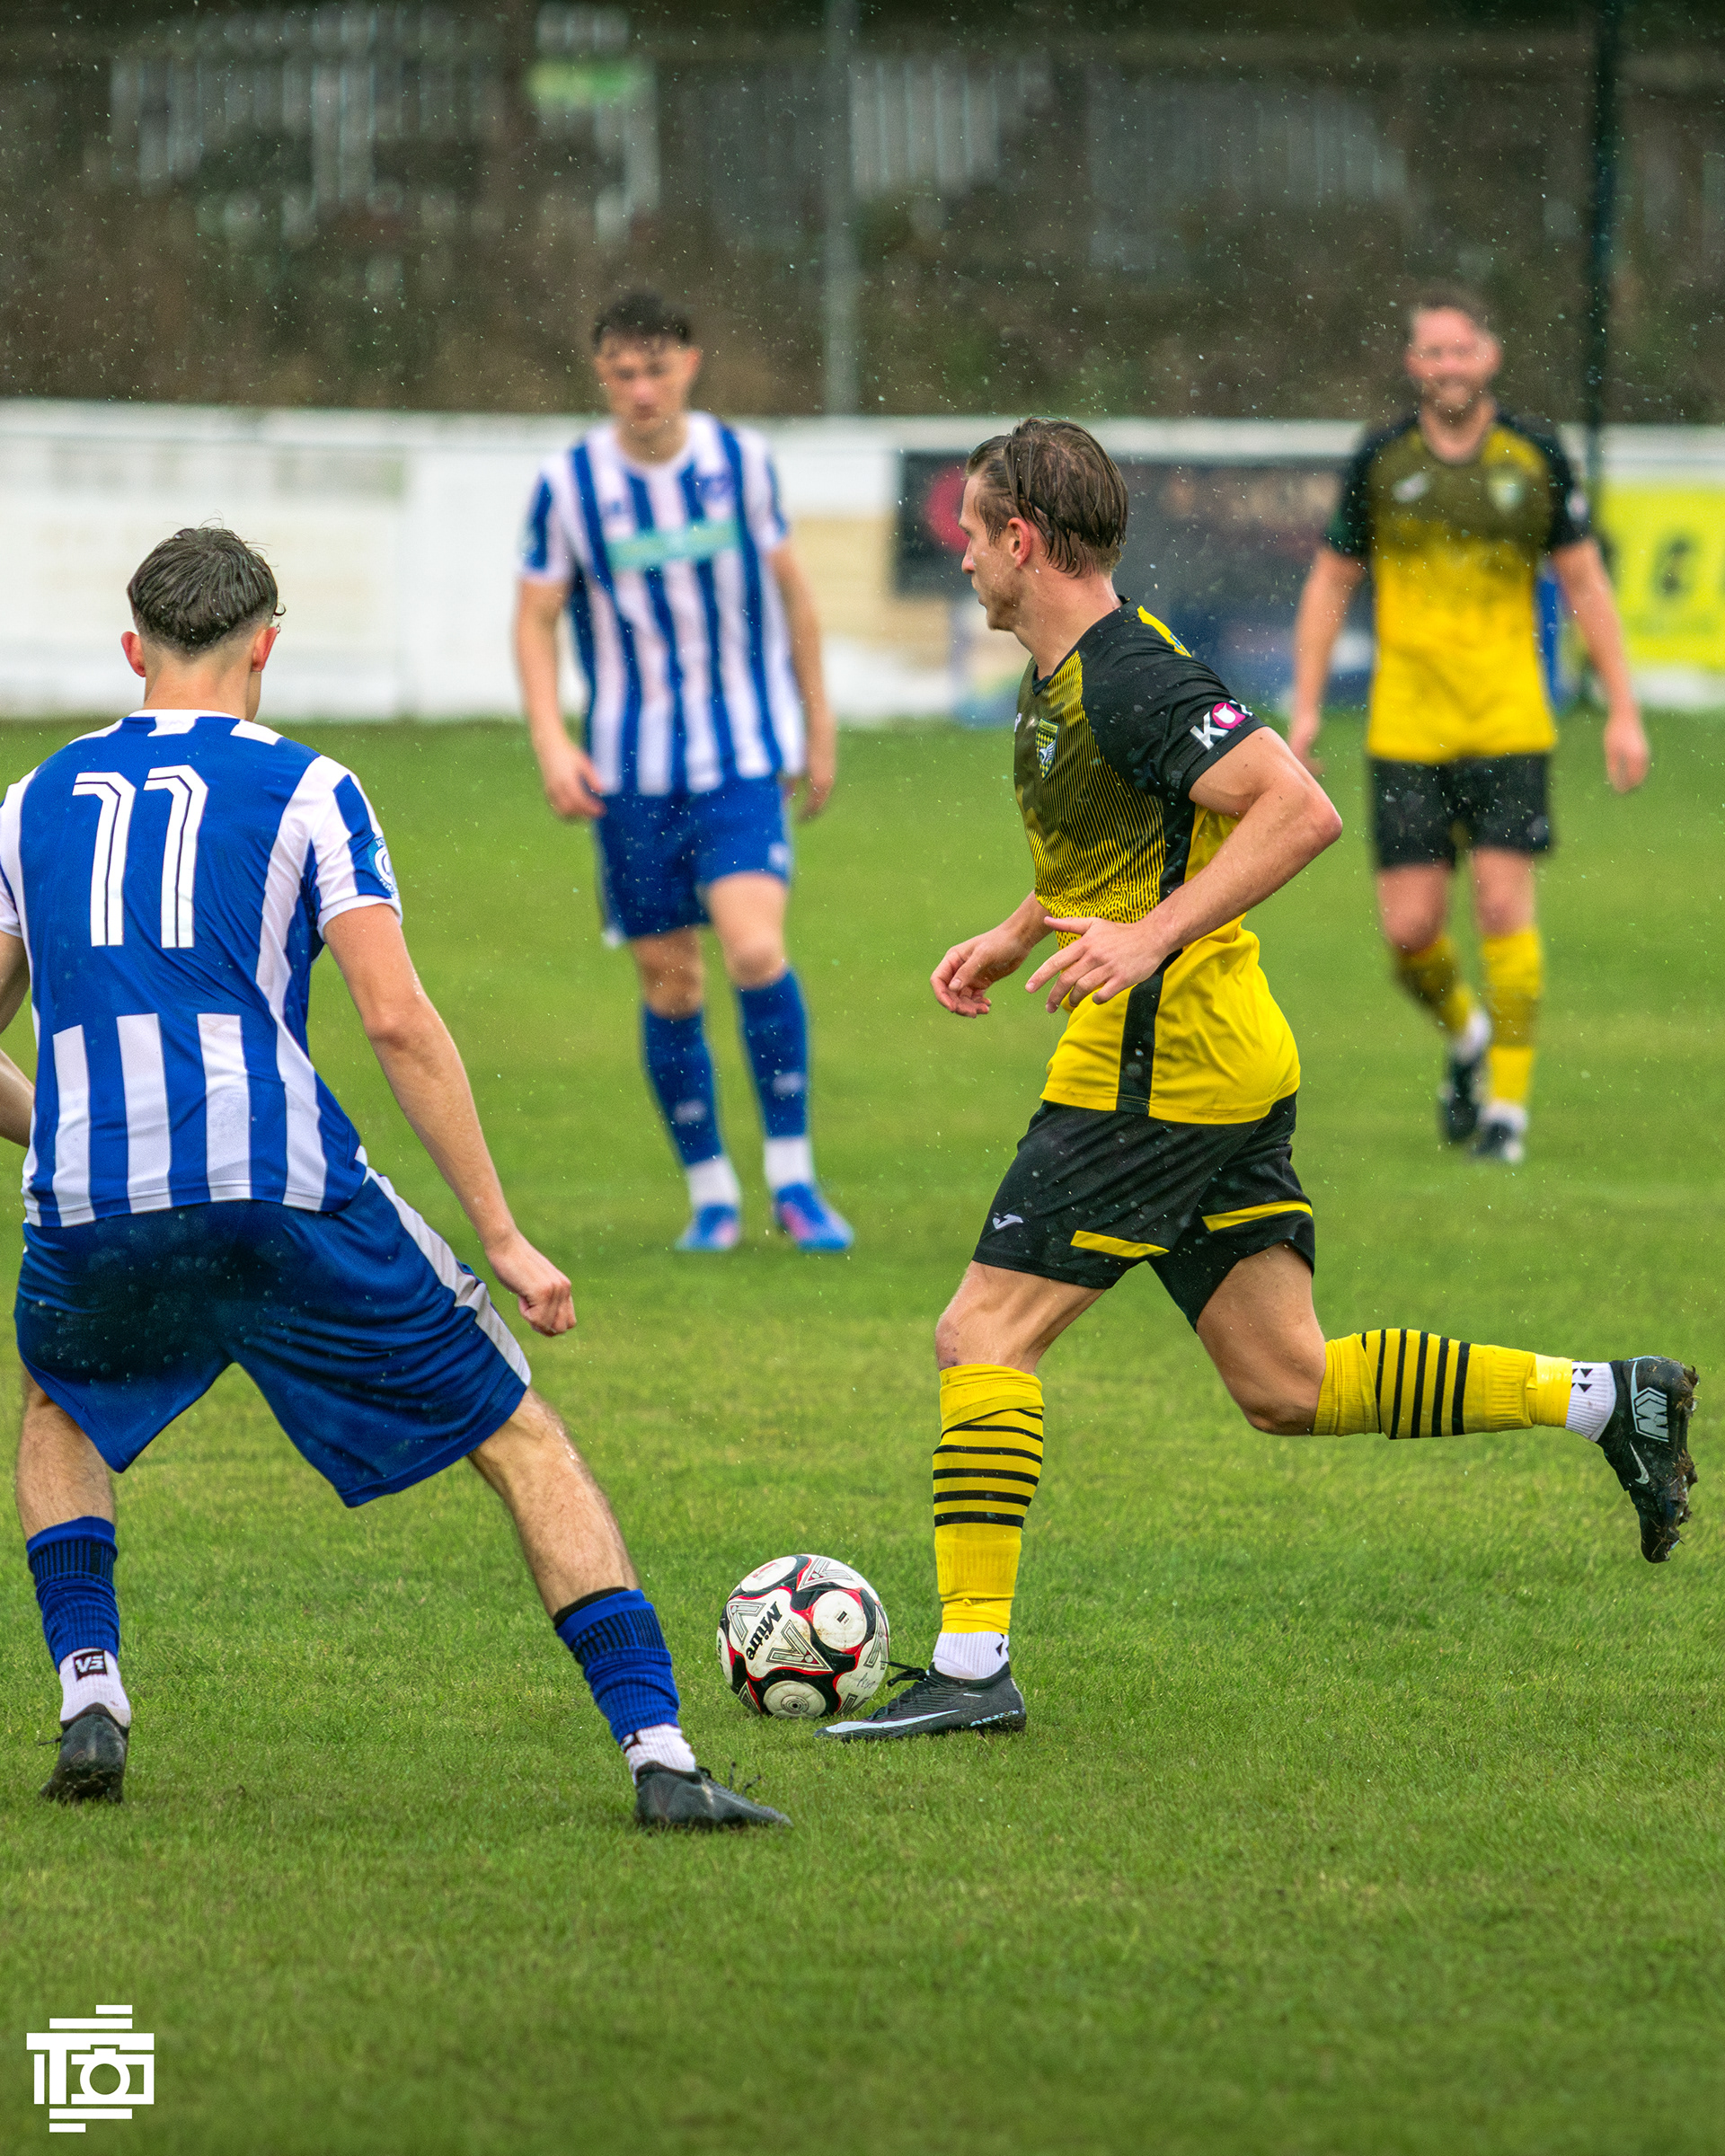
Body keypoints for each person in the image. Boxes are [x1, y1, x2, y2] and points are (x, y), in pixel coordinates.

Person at [818, 420, 1696, 1746]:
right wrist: (1020, 929)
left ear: (1024, 540)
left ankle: (972, 1668)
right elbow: (1135, 835)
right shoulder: (1074, 673)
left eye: (974, 533)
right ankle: (1611, 1398)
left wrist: (1148, 941)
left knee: (980, 1335)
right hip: (1220, 1056)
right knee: (1287, 1381)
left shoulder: (1130, 676)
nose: (962, 554)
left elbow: (1298, 806)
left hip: (1158, 1067)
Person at [8, 526, 784, 1830]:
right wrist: (504, 1234)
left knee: (60, 1402)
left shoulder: (32, 799)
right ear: (266, 646)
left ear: (135, 651)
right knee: (517, 1434)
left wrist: (74, 1132)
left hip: (90, 1202)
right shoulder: (312, 789)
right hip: (279, 1188)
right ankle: (660, 1757)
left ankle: (92, 1690)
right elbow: (397, 1021)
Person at [515, 289, 851, 1254]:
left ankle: (793, 1180)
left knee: (754, 950)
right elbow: (534, 618)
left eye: (656, 368)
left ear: (690, 365)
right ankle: (711, 1195)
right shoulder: (570, 484)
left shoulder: (741, 463)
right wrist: (553, 741)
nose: (640, 389)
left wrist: (817, 723)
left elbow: (796, 601)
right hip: (629, 772)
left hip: (740, 758)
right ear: (601, 375)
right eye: (622, 372)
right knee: (670, 982)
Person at [1288, 287, 1650, 1166]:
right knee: (1410, 934)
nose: (1448, 366)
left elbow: (1585, 581)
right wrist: (1305, 707)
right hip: (1406, 728)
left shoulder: (1534, 456)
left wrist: (1624, 710)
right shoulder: (1381, 460)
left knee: (1500, 906)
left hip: (1508, 722)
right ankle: (1468, 1036)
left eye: (1462, 350)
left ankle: (1507, 1117)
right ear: (1413, 363)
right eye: (1433, 352)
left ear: (1490, 357)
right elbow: (1331, 582)